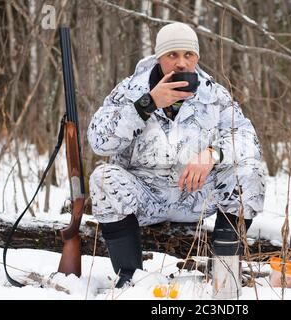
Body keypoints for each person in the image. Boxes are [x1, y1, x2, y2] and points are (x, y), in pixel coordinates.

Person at [87, 22, 266, 288]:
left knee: (250, 172)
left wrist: (212, 154)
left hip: (197, 196)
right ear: (159, 57)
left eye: (188, 55)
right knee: (103, 178)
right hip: (144, 198)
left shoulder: (213, 94)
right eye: (172, 55)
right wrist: (147, 104)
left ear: (196, 58)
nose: (181, 63)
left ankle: (225, 279)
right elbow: (98, 141)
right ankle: (130, 281)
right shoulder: (130, 91)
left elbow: (248, 140)